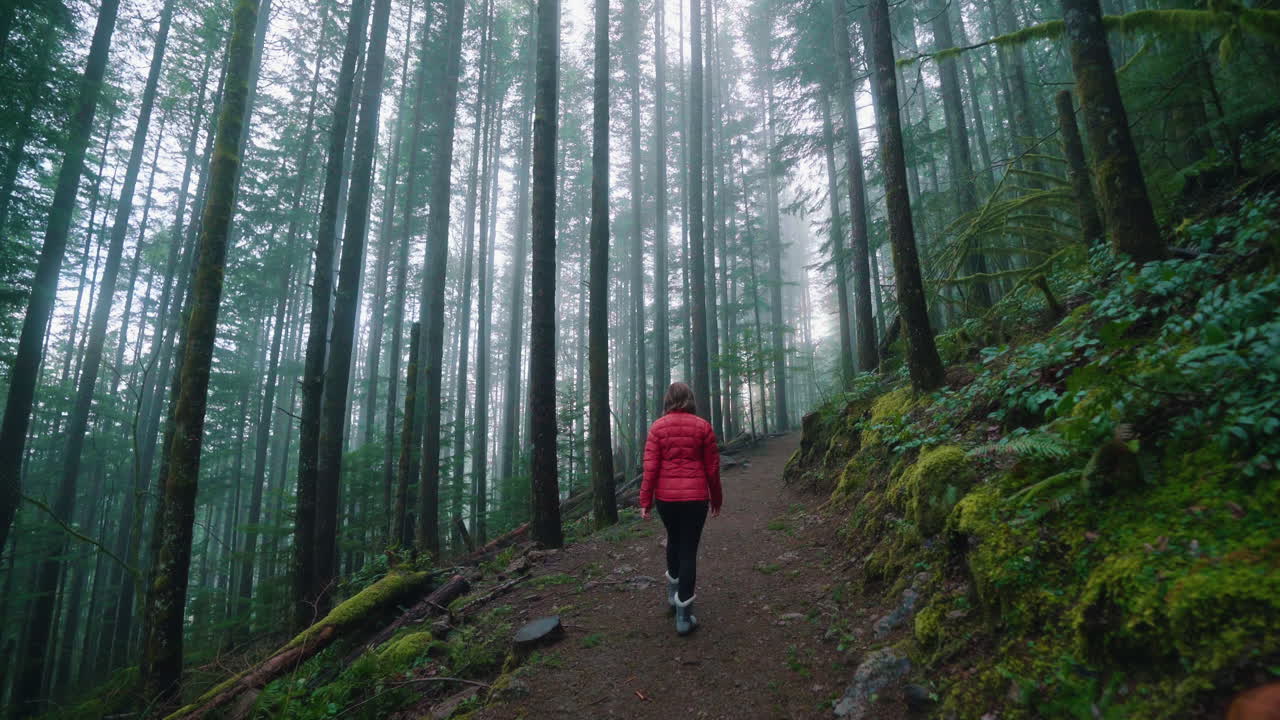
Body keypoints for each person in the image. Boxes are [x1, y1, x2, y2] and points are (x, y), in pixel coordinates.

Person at [639, 382, 723, 635]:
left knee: (674, 541)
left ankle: (672, 595)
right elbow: (712, 468)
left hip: (666, 499)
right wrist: (716, 499)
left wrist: (645, 502)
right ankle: (684, 617)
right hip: (696, 499)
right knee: (688, 550)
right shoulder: (703, 427)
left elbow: (650, 468)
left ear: (668, 400)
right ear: (690, 399)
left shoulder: (657, 428)